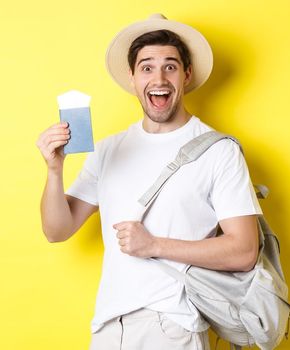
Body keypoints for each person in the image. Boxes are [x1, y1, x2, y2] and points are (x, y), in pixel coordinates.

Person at [36, 14, 262, 350]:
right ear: (132, 78)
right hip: (109, 328)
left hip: (173, 326)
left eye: (170, 66)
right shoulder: (108, 150)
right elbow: (57, 230)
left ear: (186, 74)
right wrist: (54, 170)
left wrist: (154, 245)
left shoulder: (218, 151)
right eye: (146, 67)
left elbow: (244, 250)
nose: (159, 77)